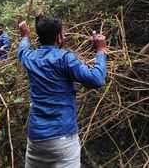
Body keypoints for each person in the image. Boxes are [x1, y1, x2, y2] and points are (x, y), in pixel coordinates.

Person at [17, 15, 107, 168]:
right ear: (59, 37)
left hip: (36, 140)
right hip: (62, 138)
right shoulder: (65, 59)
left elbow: (22, 49)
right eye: (63, 33)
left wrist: (25, 35)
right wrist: (100, 51)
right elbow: (97, 79)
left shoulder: (30, 58)